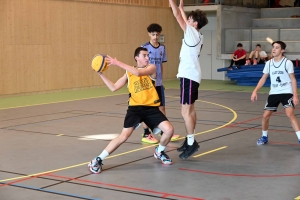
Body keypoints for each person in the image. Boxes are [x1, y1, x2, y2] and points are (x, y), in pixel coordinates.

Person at [88, 47, 174, 174]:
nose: (147, 58)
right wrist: (101, 74)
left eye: (148, 55)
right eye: (144, 55)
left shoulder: (152, 68)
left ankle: (159, 151)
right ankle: (97, 160)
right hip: (135, 109)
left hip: (151, 108)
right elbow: (113, 87)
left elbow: (138, 73)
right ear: (136, 58)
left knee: (169, 130)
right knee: (123, 136)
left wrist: (117, 63)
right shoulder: (128, 73)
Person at [169, 0, 208, 159]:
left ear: (195, 23)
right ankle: (190, 139)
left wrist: (173, 3)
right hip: (191, 75)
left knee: (185, 111)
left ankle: (191, 143)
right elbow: (180, 16)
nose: (188, 21)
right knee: (189, 110)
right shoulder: (198, 35)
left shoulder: (192, 32)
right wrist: (182, 9)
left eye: (190, 19)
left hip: (189, 76)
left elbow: (177, 16)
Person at [251, 41, 300, 145]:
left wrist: (295, 95)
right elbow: (263, 79)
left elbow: (293, 79)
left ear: (282, 50)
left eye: (277, 47)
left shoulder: (287, 63)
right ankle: (264, 137)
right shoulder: (269, 63)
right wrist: (255, 91)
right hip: (274, 93)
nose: (274, 49)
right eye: (273, 47)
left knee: (290, 114)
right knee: (265, 116)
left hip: (287, 92)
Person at [140, 23, 179, 144]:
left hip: (158, 83)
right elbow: (141, 66)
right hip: (148, 83)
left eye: (157, 34)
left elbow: (160, 65)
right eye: (153, 34)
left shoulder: (162, 48)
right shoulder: (144, 47)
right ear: (149, 34)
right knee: (146, 109)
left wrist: (161, 81)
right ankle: (146, 133)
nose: (155, 36)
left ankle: (164, 131)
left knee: (162, 108)